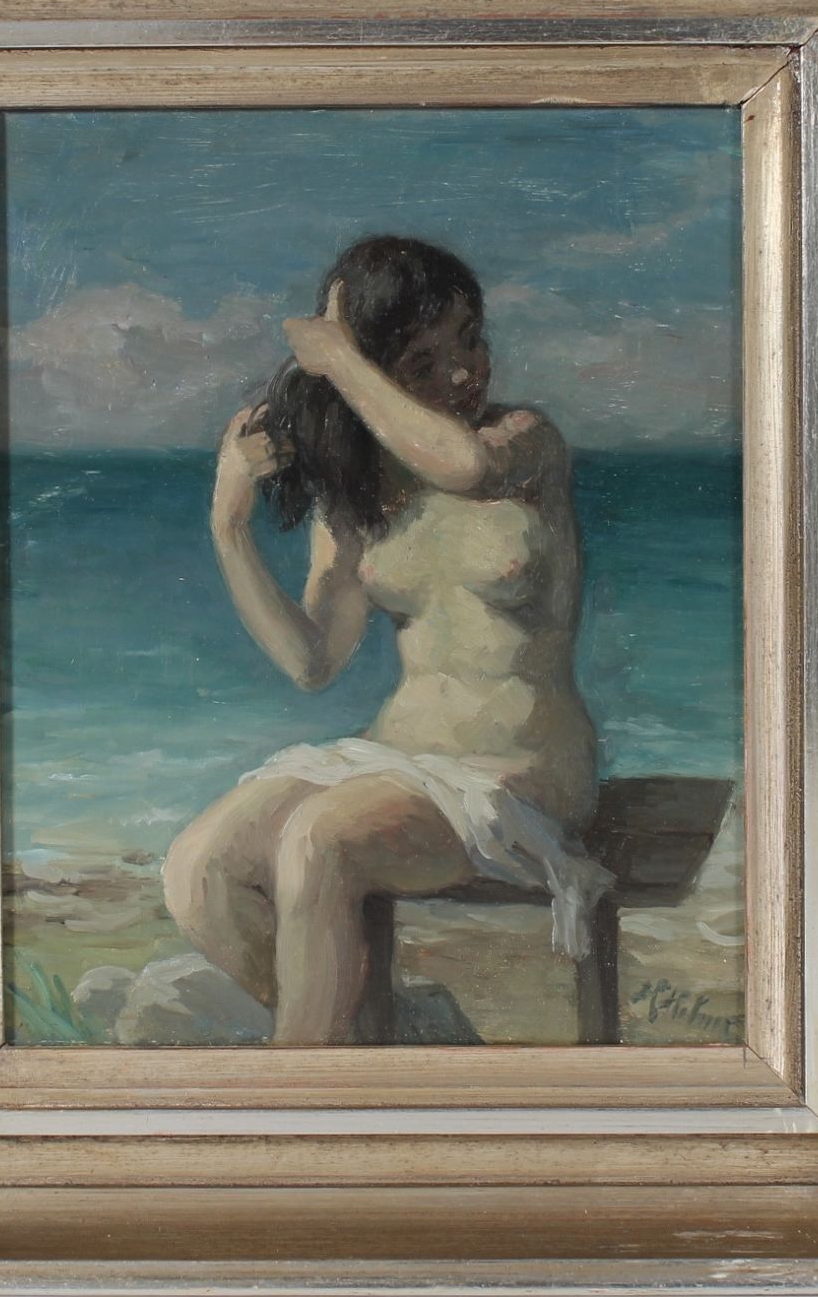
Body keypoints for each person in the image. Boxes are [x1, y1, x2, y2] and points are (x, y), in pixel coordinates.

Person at [162, 235, 611, 1044]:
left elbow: (463, 467)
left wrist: (337, 359)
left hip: (521, 772)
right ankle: (369, 1038)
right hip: (395, 759)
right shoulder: (360, 494)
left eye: (469, 340)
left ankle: (313, 1088)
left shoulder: (522, 443)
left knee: (322, 838)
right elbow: (312, 661)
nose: (464, 373)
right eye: (423, 362)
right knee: (199, 871)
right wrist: (229, 526)